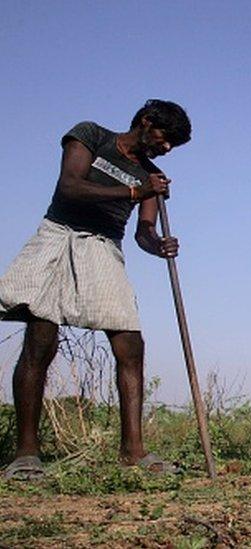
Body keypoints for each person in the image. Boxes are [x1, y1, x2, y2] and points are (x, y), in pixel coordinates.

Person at [0, 99, 192, 480]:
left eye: (173, 145)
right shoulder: (90, 135)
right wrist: (135, 192)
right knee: (41, 339)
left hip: (104, 247)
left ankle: (133, 452)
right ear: (145, 121)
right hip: (59, 236)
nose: (166, 148)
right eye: (165, 138)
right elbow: (69, 187)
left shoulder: (151, 177)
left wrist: (159, 247)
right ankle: (25, 454)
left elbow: (144, 232)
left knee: (129, 344)